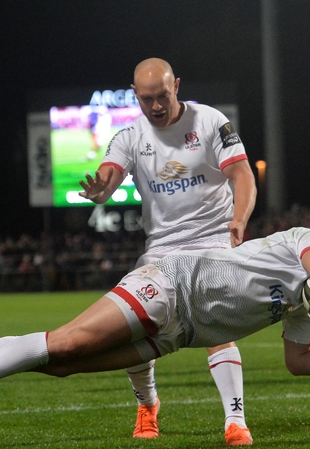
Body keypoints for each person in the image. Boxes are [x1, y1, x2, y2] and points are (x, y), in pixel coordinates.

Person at [0, 208, 310, 446]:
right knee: (62, 343)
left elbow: (297, 363)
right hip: (171, 287)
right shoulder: (306, 242)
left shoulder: (307, 299)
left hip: (178, 334)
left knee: (60, 363)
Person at [78, 58, 257, 443]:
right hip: (161, 248)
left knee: (216, 324)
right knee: (134, 328)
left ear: (177, 85)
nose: (156, 106)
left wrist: (239, 219)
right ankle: (147, 406)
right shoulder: (129, 137)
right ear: (135, 95)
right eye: (147, 99)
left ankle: (235, 420)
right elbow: (109, 176)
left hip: (212, 238)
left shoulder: (210, 121)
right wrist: (100, 191)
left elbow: (242, 174)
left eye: (162, 95)